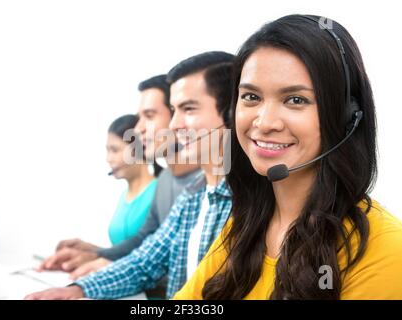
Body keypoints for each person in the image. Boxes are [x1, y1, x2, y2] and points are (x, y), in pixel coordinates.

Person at [174, 14, 402, 300]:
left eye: (296, 100)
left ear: (346, 117)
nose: (265, 122)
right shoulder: (245, 226)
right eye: (251, 97)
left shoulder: (384, 249)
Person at [25, 51, 235, 300]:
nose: (175, 125)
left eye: (188, 109)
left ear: (231, 113)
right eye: (173, 110)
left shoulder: (248, 201)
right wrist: (77, 289)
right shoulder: (193, 196)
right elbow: (145, 260)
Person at [37, 76, 200, 288]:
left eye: (149, 116)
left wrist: (103, 265)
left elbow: (177, 269)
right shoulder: (166, 180)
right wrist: (97, 256)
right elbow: (146, 243)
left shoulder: (203, 185)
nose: (138, 128)